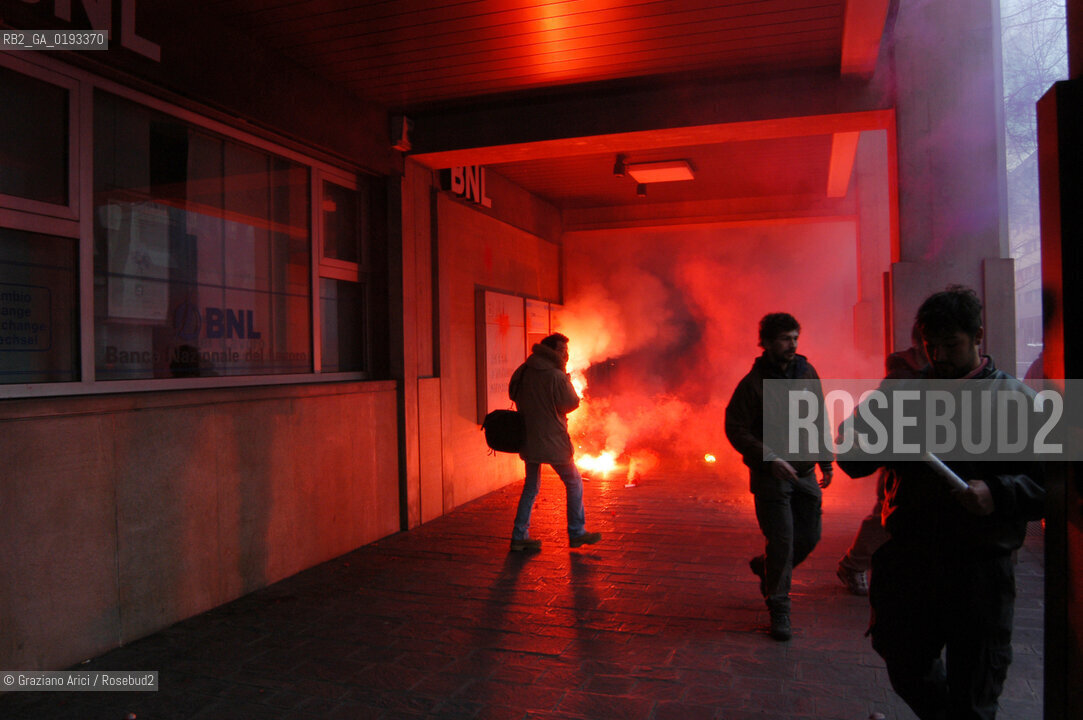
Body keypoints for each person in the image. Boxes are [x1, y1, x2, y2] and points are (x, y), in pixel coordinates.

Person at [837, 286, 1044, 720]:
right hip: (911, 560)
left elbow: (1050, 485)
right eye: (930, 346)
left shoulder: (1017, 400)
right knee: (903, 660)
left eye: (951, 345)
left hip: (980, 568)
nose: (939, 356)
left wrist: (998, 492)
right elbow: (852, 457)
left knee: (976, 687)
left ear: (978, 336)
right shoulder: (901, 392)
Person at [725, 313, 833, 641]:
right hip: (771, 477)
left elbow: (819, 416)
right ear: (767, 343)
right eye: (785, 339)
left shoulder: (807, 373)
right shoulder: (752, 384)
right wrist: (768, 457)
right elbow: (735, 428)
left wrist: (826, 460)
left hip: (804, 472)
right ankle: (779, 608)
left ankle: (767, 567)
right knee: (783, 541)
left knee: (809, 537)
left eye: (795, 338)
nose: (792, 345)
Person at [836, 323, 928, 596]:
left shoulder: (918, 373)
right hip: (905, 463)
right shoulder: (903, 378)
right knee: (884, 516)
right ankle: (854, 564)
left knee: (886, 515)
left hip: (914, 461)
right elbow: (859, 423)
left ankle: (855, 564)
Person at [508, 333, 602, 552]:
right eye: (562, 350)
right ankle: (577, 532)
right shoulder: (556, 376)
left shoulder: (524, 370)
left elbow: (513, 393)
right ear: (552, 351)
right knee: (574, 482)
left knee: (531, 486)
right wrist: (564, 381)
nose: (566, 354)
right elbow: (570, 403)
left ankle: (519, 536)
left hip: (528, 437)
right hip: (553, 439)